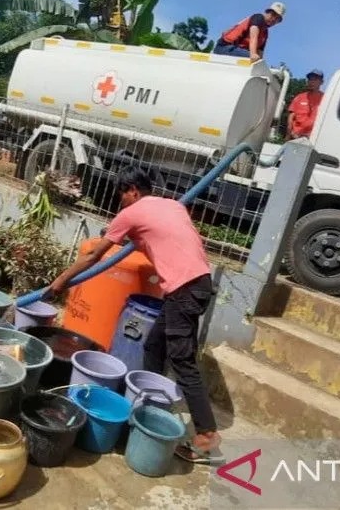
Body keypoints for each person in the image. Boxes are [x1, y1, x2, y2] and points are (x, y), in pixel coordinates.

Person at [46, 166, 221, 464]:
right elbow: (164, 238)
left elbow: (92, 255)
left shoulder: (133, 212)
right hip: (196, 284)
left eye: (122, 197)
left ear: (132, 191)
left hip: (185, 289)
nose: (121, 204)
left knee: (183, 361)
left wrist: (60, 282)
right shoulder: (171, 205)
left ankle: (206, 435)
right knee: (154, 345)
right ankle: (150, 408)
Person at [213, 2, 286, 62]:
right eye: (272, 15)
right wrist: (253, 54)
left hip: (236, 50)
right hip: (224, 47)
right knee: (253, 58)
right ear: (267, 12)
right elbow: (253, 37)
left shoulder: (265, 33)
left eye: (277, 19)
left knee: (259, 62)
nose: (273, 19)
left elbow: (260, 53)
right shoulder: (258, 18)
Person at [286, 69, 325, 140]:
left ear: (321, 82)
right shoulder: (299, 97)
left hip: (313, 138)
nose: (311, 82)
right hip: (295, 136)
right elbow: (291, 116)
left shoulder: (325, 99)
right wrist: (289, 134)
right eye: (310, 79)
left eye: (315, 79)